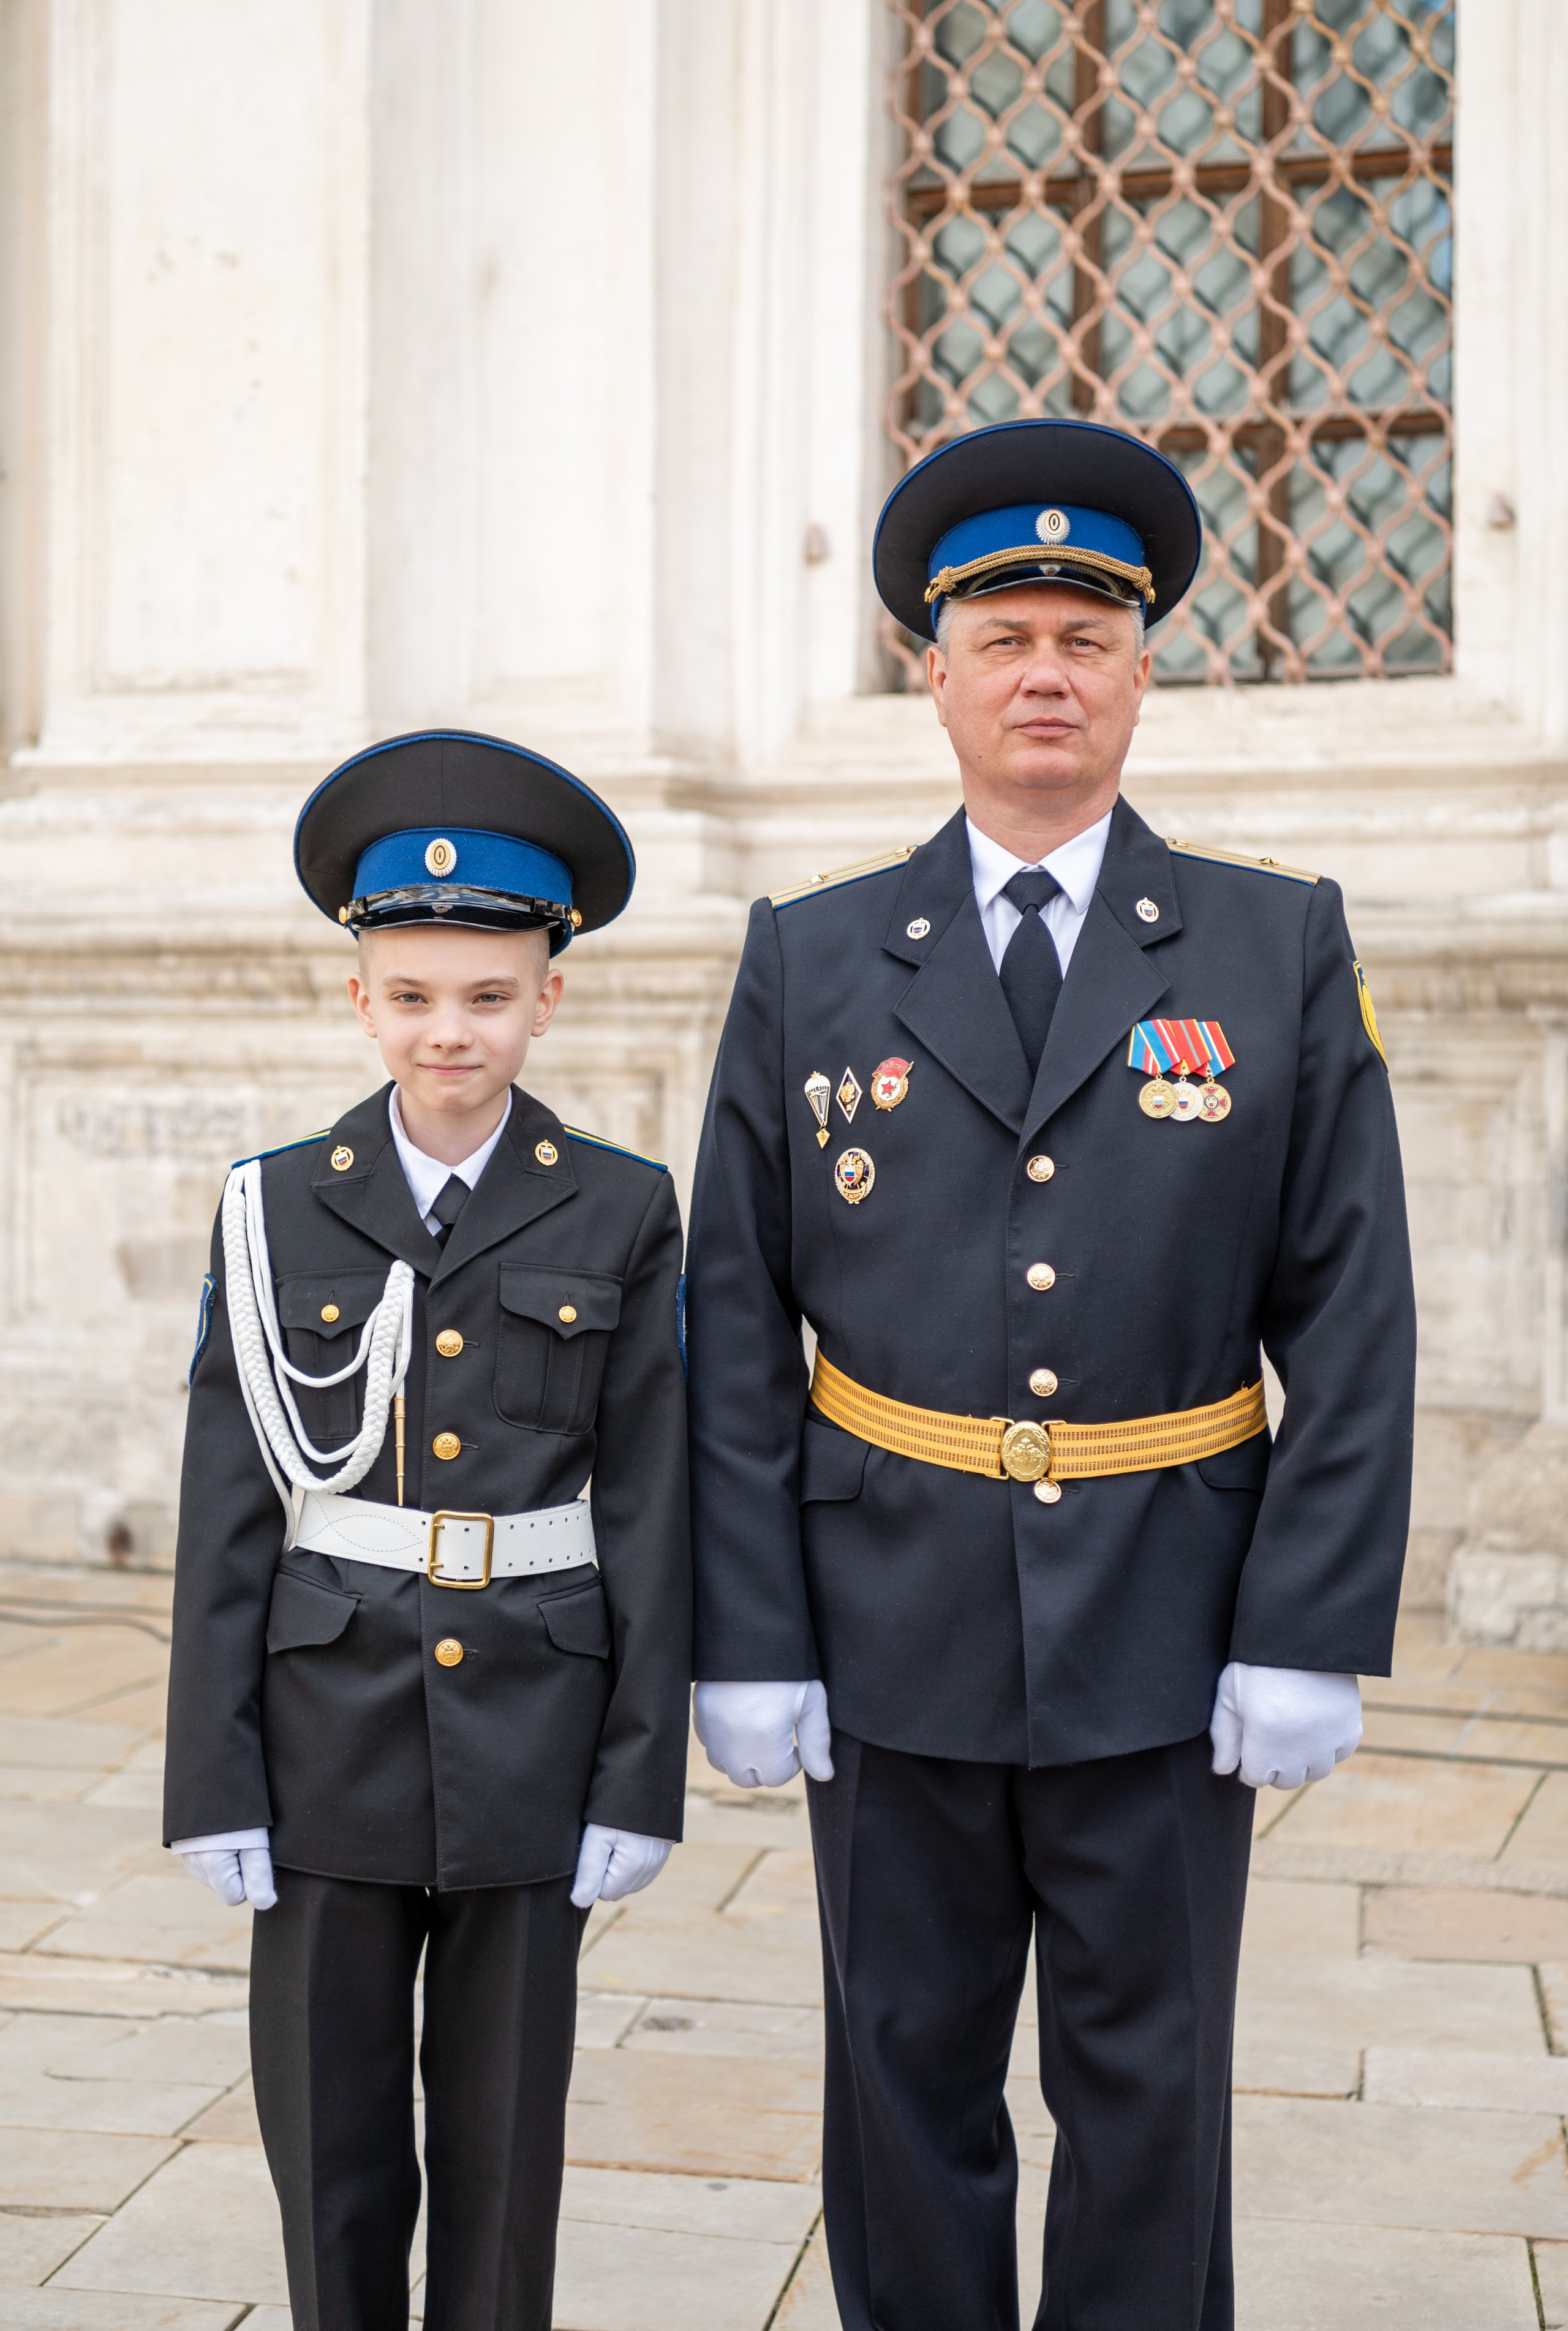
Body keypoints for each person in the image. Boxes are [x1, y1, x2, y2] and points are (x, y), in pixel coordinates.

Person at [685, 419, 1415, 2331]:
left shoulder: (1272, 946)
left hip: (1173, 1617)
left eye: (1085, 639)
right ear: (933, 669)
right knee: (901, 2078)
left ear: (1144, 668)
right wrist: (744, 1631)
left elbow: (1352, 1305)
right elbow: (738, 1322)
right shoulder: (814, 956)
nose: (1043, 673)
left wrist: (1310, 1622)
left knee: (1150, 2090)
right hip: (890, 1607)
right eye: (1002, 634)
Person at [163, 729, 692, 2331]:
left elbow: (657, 1503)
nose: (447, 1031)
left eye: (484, 995)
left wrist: (638, 1771)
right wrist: (212, 1775)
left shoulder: (619, 1206)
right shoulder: (275, 1205)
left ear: (549, 994)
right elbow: (229, 1508)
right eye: (412, 995)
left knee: (503, 2144)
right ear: (360, 998)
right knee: (327, 2144)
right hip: (327, 1735)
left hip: (536, 1727)